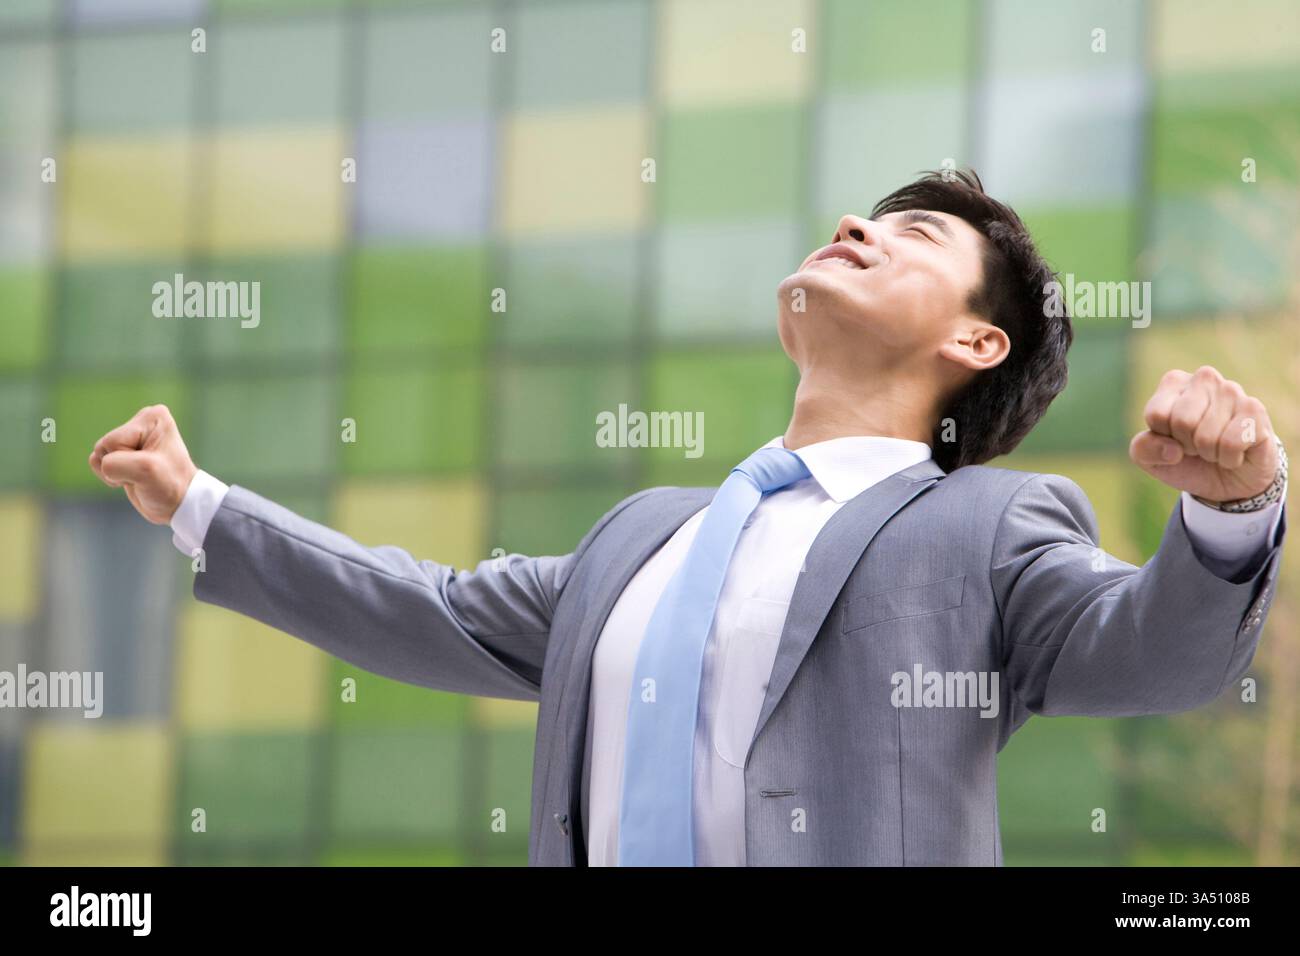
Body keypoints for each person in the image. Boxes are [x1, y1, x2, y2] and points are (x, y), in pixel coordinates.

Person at [89, 170, 1287, 866]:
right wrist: (201, 504)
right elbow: (429, 606)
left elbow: (1150, 649)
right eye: (863, 214)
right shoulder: (642, 536)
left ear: (977, 342)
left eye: (914, 232)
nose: (857, 226)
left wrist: (1230, 512)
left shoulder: (987, 522)